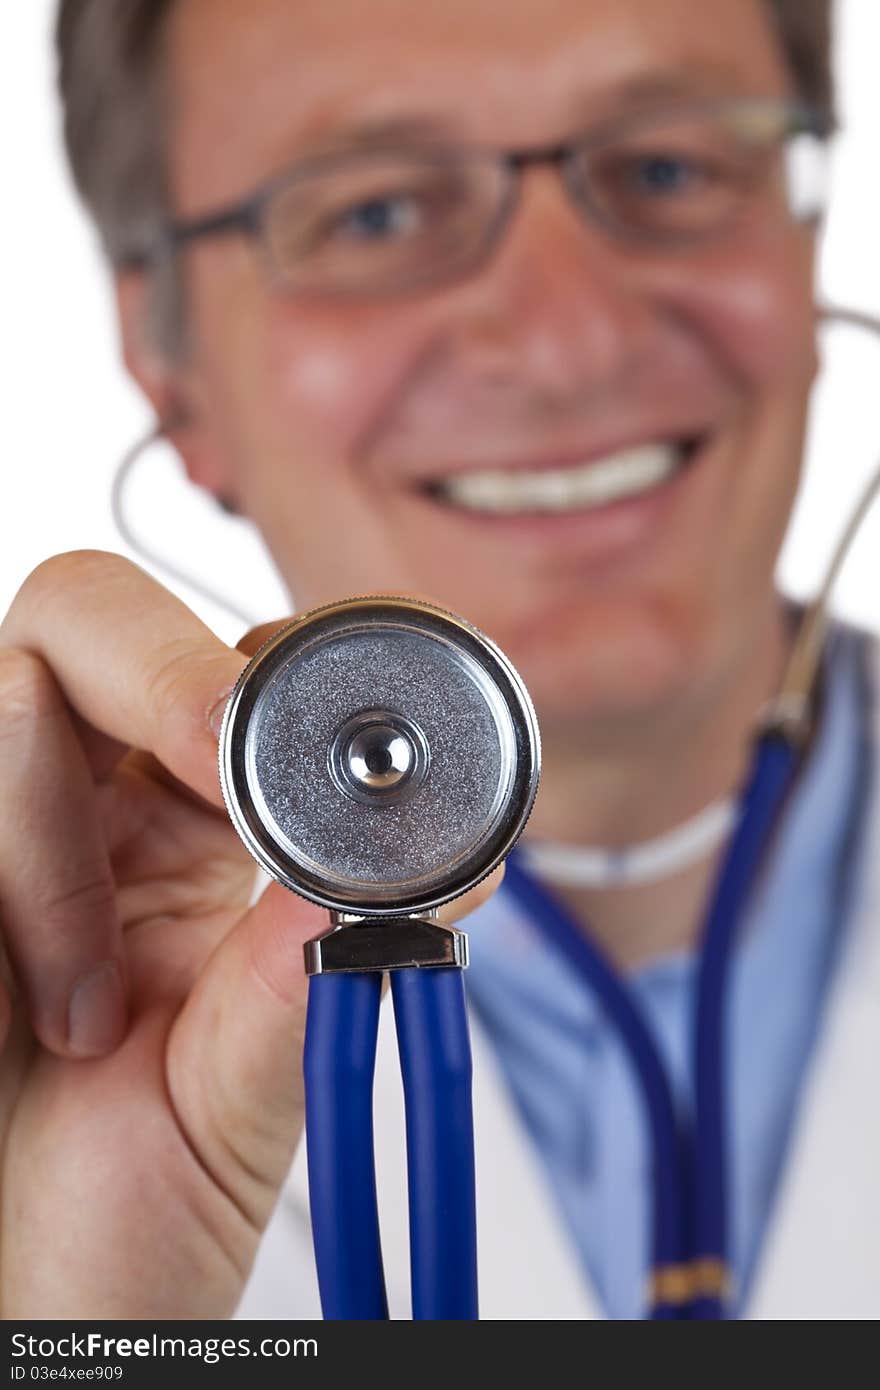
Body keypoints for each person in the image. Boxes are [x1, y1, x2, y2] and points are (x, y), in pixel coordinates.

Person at [1, 0, 873, 1320]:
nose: (569, 339)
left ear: (805, 245)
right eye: (377, 213)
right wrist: (81, 1328)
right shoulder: (86, 1014)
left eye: (668, 167)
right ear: (167, 371)